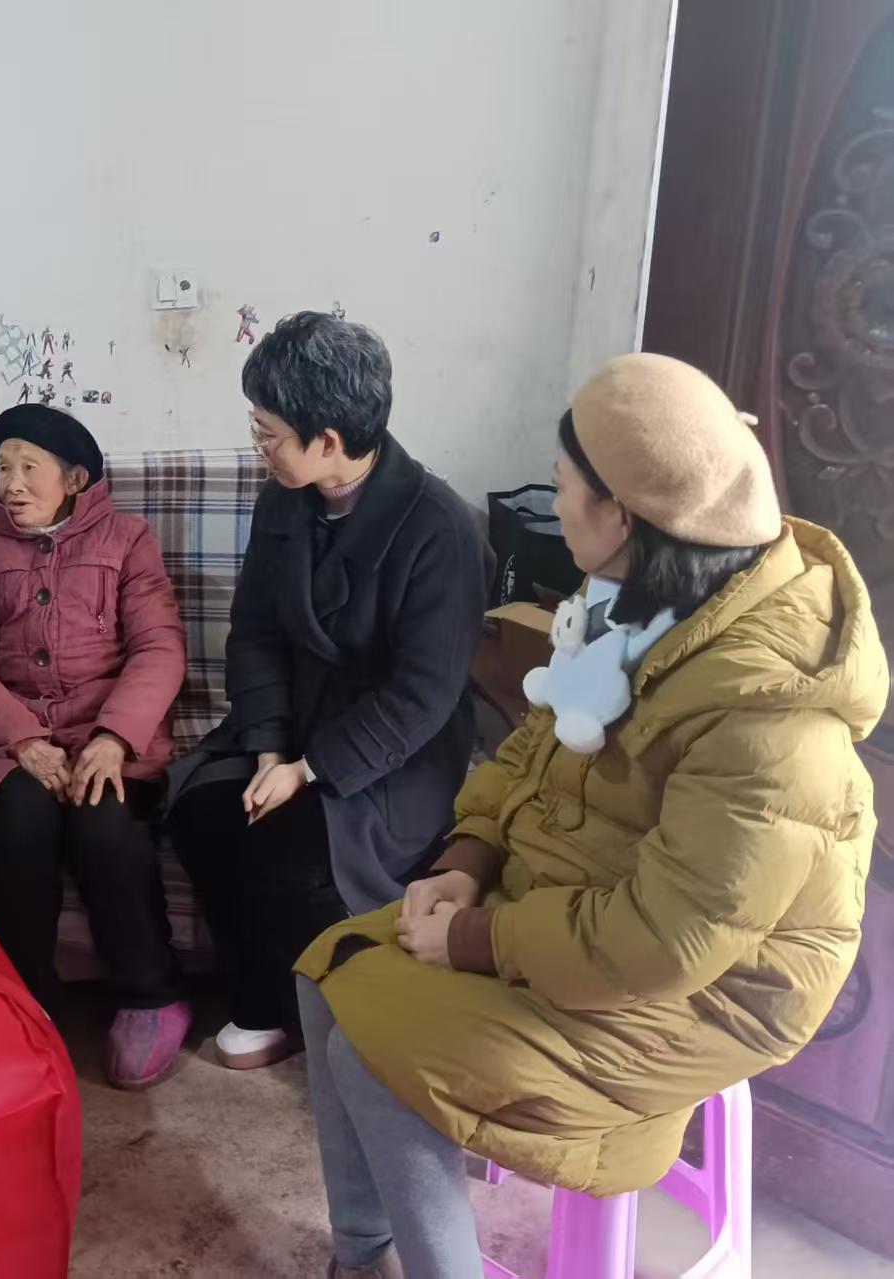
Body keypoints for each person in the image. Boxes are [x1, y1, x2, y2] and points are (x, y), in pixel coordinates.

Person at [294, 353, 887, 1279]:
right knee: (325, 972)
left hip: (705, 990)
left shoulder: (771, 719)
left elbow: (667, 943)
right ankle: (363, 1252)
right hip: (591, 900)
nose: (553, 503)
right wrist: (466, 858)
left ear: (622, 515)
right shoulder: (631, 599)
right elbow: (533, 748)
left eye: (563, 484)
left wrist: (476, 939)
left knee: (374, 1053)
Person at [166, 311, 491, 1070]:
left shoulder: (440, 528)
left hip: (391, 749)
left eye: (268, 432)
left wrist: (308, 770)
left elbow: (422, 694)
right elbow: (256, 632)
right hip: (294, 721)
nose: (260, 446)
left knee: (290, 845)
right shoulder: (283, 498)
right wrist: (269, 748)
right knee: (206, 812)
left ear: (330, 440)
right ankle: (267, 1002)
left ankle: (322, 1022)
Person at [0, 405, 189, 1089]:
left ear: (75, 478)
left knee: (106, 826)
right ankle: (22, 1004)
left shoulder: (128, 538)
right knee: (14, 830)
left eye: (29, 467)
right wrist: (21, 738)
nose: (11, 483)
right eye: (3, 467)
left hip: (108, 733)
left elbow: (159, 647)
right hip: (11, 740)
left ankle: (151, 994)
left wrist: (115, 737)